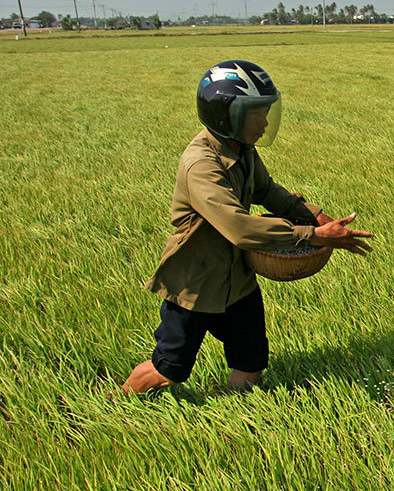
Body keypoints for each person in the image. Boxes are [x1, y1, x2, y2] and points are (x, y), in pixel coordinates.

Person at [116, 60, 374, 396]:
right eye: (257, 113)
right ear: (226, 115)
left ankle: (239, 410)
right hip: (195, 285)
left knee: (251, 358)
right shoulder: (201, 164)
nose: (265, 122)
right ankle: (117, 401)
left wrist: (316, 215)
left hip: (236, 280)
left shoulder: (242, 149)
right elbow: (238, 227)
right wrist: (313, 236)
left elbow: (267, 191)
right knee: (170, 369)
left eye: (267, 111)